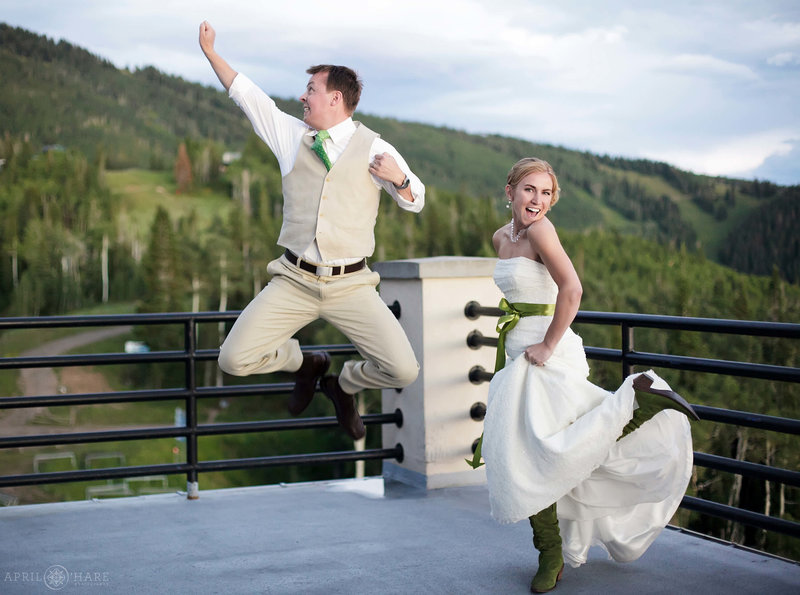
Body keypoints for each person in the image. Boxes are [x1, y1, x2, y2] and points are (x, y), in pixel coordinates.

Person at [198, 21, 425, 440]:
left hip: (353, 285)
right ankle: (306, 363)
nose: (303, 97)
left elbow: (417, 201)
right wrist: (212, 53)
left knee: (404, 369)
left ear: (335, 98)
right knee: (233, 359)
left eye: (311, 90)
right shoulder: (291, 136)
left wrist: (400, 180)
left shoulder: (376, 148)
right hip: (295, 280)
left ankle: (344, 384)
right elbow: (249, 97)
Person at [481, 158, 698, 592]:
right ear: (510, 191)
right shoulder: (500, 237)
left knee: (546, 452)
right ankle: (549, 550)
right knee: (531, 455)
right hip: (517, 354)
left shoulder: (542, 231)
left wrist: (547, 345)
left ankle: (639, 406)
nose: (537, 201)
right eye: (529, 190)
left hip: (547, 353)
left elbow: (572, 289)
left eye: (546, 193)